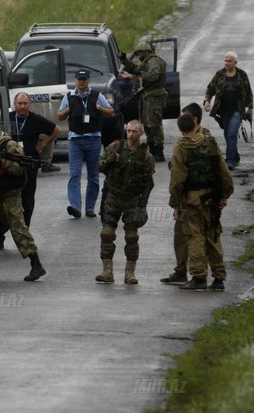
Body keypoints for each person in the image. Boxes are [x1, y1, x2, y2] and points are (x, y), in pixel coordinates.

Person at [169, 113, 234, 291]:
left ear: (181, 128)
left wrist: (176, 204)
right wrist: (225, 196)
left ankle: (199, 277)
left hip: (192, 199)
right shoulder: (210, 142)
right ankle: (219, 277)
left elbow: (177, 179)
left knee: (194, 236)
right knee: (213, 234)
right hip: (212, 197)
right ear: (196, 124)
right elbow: (224, 171)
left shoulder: (181, 148)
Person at [0, 118, 47, 281]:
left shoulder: (9, 145)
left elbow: (20, 168)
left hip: (10, 194)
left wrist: (1, 161)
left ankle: (36, 265)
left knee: (18, 229)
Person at [160, 103, 215, 285]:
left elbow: (183, 173)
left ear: (195, 120)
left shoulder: (204, 140)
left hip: (198, 196)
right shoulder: (187, 140)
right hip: (186, 196)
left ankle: (199, 274)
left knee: (197, 236)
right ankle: (181, 270)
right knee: (180, 235)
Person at [96, 120, 155, 284]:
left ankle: (130, 272)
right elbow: (99, 166)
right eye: (128, 131)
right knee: (107, 234)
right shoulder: (115, 148)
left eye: (134, 131)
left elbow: (148, 183)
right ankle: (107, 271)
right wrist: (110, 161)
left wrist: (143, 205)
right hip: (113, 196)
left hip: (132, 199)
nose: (130, 135)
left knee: (131, 236)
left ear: (141, 133)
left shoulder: (146, 156)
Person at [57, 69, 115, 218]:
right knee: (74, 174)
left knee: (93, 176)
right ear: (75, 81)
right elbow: (60, 115)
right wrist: (68, 110)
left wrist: (99, 108)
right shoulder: (69, 96)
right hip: (75, 140)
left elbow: (111, 112)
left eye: (84, 79)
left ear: (88, 81)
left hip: (93, 139)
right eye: (79, 79)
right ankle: (75, 207)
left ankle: (90, 208)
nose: (81, 82)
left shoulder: (97, 96)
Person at [9, 91, 61, 228]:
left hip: (29, 164)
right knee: (8, 199)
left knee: (27, 199)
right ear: (14, 105)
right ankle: (0, 234)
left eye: (25, 103)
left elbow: (57, 130)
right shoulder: (7, 118)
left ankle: (25, 226)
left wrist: (44, 143)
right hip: (10, 165)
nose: (22, 106)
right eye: (19, 103)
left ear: (29, 105)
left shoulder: (35, 119)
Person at [203, 52, 254, 170]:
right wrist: (207, 101)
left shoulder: (242, 75)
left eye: (229, 61)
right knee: (227, 135)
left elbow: (249, 93)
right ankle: (235, 156)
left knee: (232, 134)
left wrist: (250, 109)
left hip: (237, 110)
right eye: (225, 61)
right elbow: (210, 89)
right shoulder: (219, 74)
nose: (226, 63)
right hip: (222, 111)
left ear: (235, 62)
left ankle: (230, 161)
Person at [119, 42, 168, 162]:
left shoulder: (154, 61)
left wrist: (139, 74)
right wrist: (124, 60)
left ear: (145, 53)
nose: (139, 57)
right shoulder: (147, 61)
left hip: (155, 96)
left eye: (140, 54)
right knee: (147, 123)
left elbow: (152, 76)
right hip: (149, 96)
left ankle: (158, 150)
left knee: (154, 123)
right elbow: (135, 69)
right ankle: (153, 148)